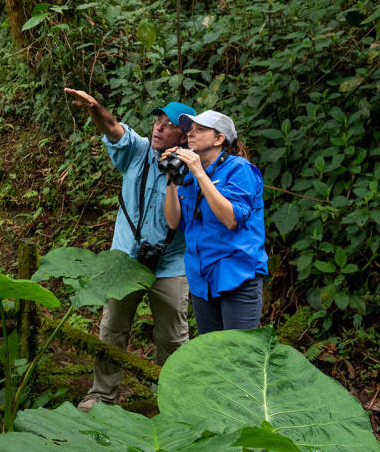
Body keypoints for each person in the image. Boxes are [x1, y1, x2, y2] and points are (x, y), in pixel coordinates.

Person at [63, 88, 195, 412]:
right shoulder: (138, 150)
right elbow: (111, 128)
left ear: (185, 134)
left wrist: (176, 175)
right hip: (126, 255)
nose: (158, 127)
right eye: (157, 121)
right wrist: (94, 108)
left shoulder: (195, 169)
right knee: (112, 327)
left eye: (167, 124)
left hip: (171, 263)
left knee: (173, 338)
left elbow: (186, 220)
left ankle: (172, 401)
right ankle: (102, 395)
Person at [162, 110, 268, 334]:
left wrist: (200, 173)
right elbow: (173, 222)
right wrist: (171, 180)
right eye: (190, 130)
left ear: (219, 139)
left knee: (238, 356)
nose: (191, 134)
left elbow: (231, 219)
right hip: (202, 279)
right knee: (212, 358)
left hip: (236, 276)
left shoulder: (240, 169)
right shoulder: (189, 174)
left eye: (200, 130)